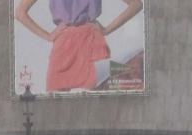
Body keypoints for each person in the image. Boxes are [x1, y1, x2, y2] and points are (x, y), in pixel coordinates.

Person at [15, 0, 144, 93]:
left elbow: (136, 4)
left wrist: (106, 30)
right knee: (55, 106)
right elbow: (20, 13)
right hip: (72, 46)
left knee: (95, 104)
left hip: (86, 43)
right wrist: (48, 36)